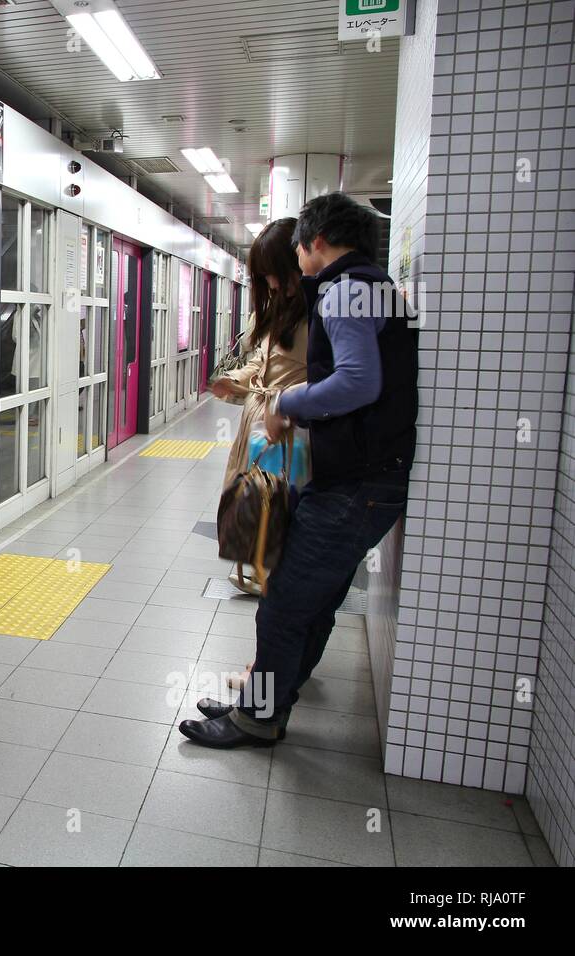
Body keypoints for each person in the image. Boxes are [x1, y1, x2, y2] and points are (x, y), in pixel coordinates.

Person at [180, 192, 416, 749]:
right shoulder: (372, 285)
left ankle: (257, 719)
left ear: (314, 243)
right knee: (314, 600)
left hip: (356, 482)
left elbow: (359, 382)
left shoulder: (345, 290)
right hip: (366, 478)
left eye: (297, 248)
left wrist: (286, 405)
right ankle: (269, 700)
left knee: (285, 603)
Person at [210, 218, 309, 598]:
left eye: (273, 273)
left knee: (281, 499)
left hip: (290, 427)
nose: (269, 283)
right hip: (258, 420)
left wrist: (286, 406)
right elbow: (261, 365)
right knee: (253, 495)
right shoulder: (274, 311)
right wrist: (235, 381)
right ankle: (260, 566)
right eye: (264, 275)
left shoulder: (315, 316)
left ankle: (278, 575)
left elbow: (322, 377)